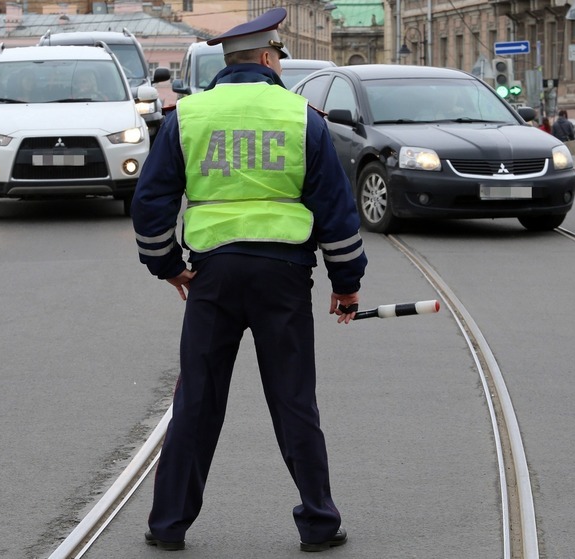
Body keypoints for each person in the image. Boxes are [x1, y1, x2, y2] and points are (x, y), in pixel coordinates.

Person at [131, 7, 367, 553]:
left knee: (196, 401)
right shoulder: (300, 115)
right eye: (278, 59)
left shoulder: (189, 116)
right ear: (267, 58)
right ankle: (319, 523)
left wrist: (169, 266)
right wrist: (347, 282)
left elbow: (150, 205)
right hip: (283, 277)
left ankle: (168, 526)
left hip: (212, 275)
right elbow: (335, 210)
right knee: (293, 401)